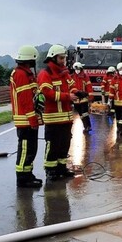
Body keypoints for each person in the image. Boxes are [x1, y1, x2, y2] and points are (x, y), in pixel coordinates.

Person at [37, 44, 87, 179]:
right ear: (53, 58)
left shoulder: (64, 73)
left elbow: (71, 86)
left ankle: (61, 168)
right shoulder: (45, 74)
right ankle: (50, 170)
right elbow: (47, 93)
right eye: (61, 58)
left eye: (64, 58)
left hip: (66, 117)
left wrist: (77, 92)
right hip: (52, 117)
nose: (63, 61)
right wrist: (67, 97)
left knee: (65, 143)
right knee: (52, 145)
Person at [9, 45, 44, 188]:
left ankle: (28, 174)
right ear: (31, 59)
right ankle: (22, 179)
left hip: (28, 119)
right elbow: (25, 99)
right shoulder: (21, 74)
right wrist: (32, 119)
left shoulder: (26, 73)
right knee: (25, 150)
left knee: (31, 149)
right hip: (25, 120)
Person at [70, 61, 93, 133]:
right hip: (76, 99)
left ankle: (88, 126)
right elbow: (70, 88)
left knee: (85, 113)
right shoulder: (71, 77)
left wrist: (90, 96)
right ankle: (86, 126)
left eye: (78, 69)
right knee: (81, 114)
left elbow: (89, 87)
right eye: (76, 69)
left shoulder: (85, 77)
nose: (77, 71)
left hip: (84, 99)